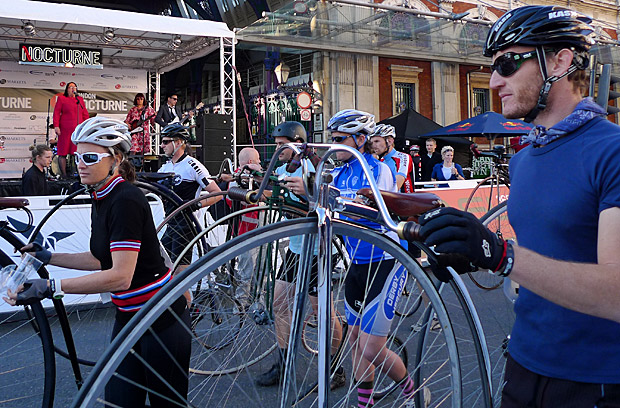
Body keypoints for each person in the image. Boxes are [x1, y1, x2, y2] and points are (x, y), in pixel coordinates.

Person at [419, 6, 620, 407]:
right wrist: (469, 251)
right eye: (493, 68)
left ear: (561, 60)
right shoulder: (525, 158)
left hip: (595, 382)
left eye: (508, 63)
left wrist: (500, 254)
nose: (494, 81)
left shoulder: (611, 152)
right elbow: (544, 255)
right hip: (523, 365)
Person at [5, 117, 191, 407]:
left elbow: (120, 276)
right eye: (78, 156)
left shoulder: (125, 199)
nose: (80, 164)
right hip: (129, 317)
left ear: (116, 159)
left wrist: (51, 286)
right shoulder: (101, 195)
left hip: (160, 319)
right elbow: (100, 258)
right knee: (118, 402)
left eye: (90, 157)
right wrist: (49, 256)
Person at [285, 110, 416, 407]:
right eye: (332, 139)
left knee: (371, 348)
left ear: (360, 139)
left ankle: (412, 391)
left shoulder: (377, 168)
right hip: (357, 265)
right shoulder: (341, 171)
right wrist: (308, 191)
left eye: (340, 139)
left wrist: (326, 194)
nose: (335, 145)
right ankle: (364, 403)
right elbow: (326, 199)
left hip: (385, 261)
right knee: (355, 342)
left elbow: (368, 205)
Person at [255, 121, 347, 390]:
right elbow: (273, 192)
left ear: (296, 143)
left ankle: (335, 369)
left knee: (323, 313)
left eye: (283, 144)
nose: (277, 148)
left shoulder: (310, 166)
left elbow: (324, 200)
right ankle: (284, 364)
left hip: (317, 249)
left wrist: (308, 191)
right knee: (280, 303)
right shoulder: (284, 168)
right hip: (297, 248)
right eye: (277, 143)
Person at [157, 123, 222, 273]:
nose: (161, 145)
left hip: (188, 224)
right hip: (171, 222)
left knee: (180, 271)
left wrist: (195, 205)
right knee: (164, 266)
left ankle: (186, 297)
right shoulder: (165, 167)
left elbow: (217, 193)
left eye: (166, 142)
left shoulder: (192, 165)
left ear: (178, 142)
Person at [53, 82, 89, 178]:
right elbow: (56, 112)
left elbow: (84, 113)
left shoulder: (79, 100)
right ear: (67, 89)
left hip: (77, 130)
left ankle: (76, 174)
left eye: (74, 87)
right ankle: (64, 175)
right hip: (65, 129)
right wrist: (56, 126)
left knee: (76, 152)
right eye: (70, 87)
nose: (73, 88)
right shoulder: (62, 99)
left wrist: (87, 125)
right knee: (63, 152)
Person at [369, 124, 415, 193]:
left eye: (376, 141)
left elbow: (396, 186)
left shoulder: (403, 157)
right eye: (371, 142)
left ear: (390, 141)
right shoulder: (381, 161)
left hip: (406, 201)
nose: (373, 145)